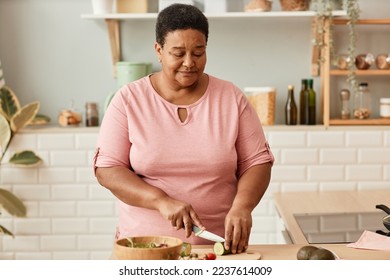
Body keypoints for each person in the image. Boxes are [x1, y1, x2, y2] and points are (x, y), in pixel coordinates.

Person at [94, 3, 274, 254]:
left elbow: (258, 162)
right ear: (159, 50)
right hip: (147, 248)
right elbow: (108, 170)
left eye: (198, 52)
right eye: (178, 53)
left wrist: (243, 206)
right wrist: (160, 201)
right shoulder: (128, 100)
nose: (189, 63)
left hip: (216, 248)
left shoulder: (231, 98)